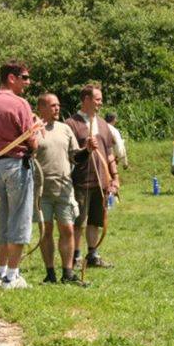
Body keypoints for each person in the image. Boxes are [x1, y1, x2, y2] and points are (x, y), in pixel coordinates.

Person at [0, 60, 38, 290]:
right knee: (20, 218)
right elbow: (31, 140)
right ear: (11, 78)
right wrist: (36, 135)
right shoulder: (20, 103)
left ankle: (0, 271)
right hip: (16, 164)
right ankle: (12, 276)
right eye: (24, 77)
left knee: (3, 218)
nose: (28, 82)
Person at [33, 92, 89, 285]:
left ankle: (68, 273)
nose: (57, 108)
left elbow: (75, 157)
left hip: (64, 187)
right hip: (41, 190)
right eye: (52, 105)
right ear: (41, 108)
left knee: (68, 230)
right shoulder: (33, 130)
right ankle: (50, 274)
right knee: (46, 231)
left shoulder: (65, 128)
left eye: (58, 105)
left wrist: (88, 150)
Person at [65, 84, 120, 268]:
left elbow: (109, 153)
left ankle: (93, 255)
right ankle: (76, 257)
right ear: (86, 100)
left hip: (101, 181)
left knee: (95, 220)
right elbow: (70, 155)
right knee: (78, 221)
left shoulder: (103, 123)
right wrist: (85, 149)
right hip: (80, 181)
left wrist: (115, 177)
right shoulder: (71, 124)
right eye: (97, 99)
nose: (100, 103)